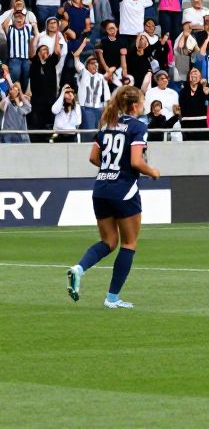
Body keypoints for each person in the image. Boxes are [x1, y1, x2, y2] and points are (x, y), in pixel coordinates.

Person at [65, 86, 161, 309]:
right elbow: (137, 162)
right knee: (129, 243)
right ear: (135, 106)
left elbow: (93, 157)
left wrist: (111, 167)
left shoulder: (108, 125)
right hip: (124, 190)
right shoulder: (138, 126)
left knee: (108, 242)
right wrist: (152, 171)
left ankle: (78, 269)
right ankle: (112, 297)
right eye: (143, 102)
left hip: (101, 188)